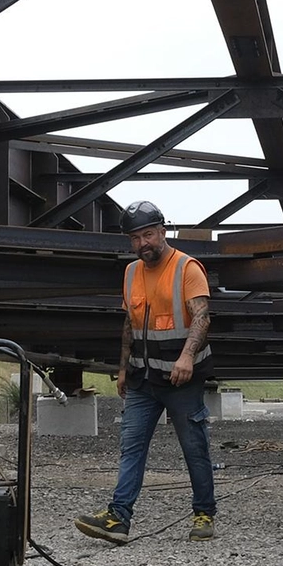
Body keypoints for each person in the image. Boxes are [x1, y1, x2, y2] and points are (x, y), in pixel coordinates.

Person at [74, 201, 216, 544]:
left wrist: (185, 358)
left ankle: (203, 513)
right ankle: (118, 518)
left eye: (148, 234)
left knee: (194, 446)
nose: (142, 243)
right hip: (142, 379)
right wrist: (122, 369)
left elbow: (202, 317)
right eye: (135, 238)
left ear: (162, 232)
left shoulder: (187, 268)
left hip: (181, 379)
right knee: (131, 446)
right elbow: (129, 324)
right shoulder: (131, 273)